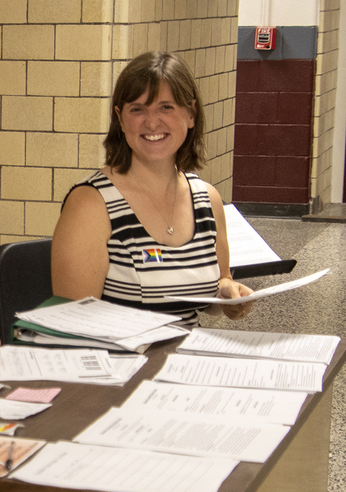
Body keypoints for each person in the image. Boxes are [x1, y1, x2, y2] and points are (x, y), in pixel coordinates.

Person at [51, 51, 255, 325]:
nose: (151, 122)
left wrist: (227, 294)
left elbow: (216, 286)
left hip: (191, 350)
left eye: (166, 107)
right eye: (137, 109)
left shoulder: (207, 199)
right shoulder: (91, 203)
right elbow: (74, 325)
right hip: (120, 352)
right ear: (120, 118)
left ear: (191, 114)